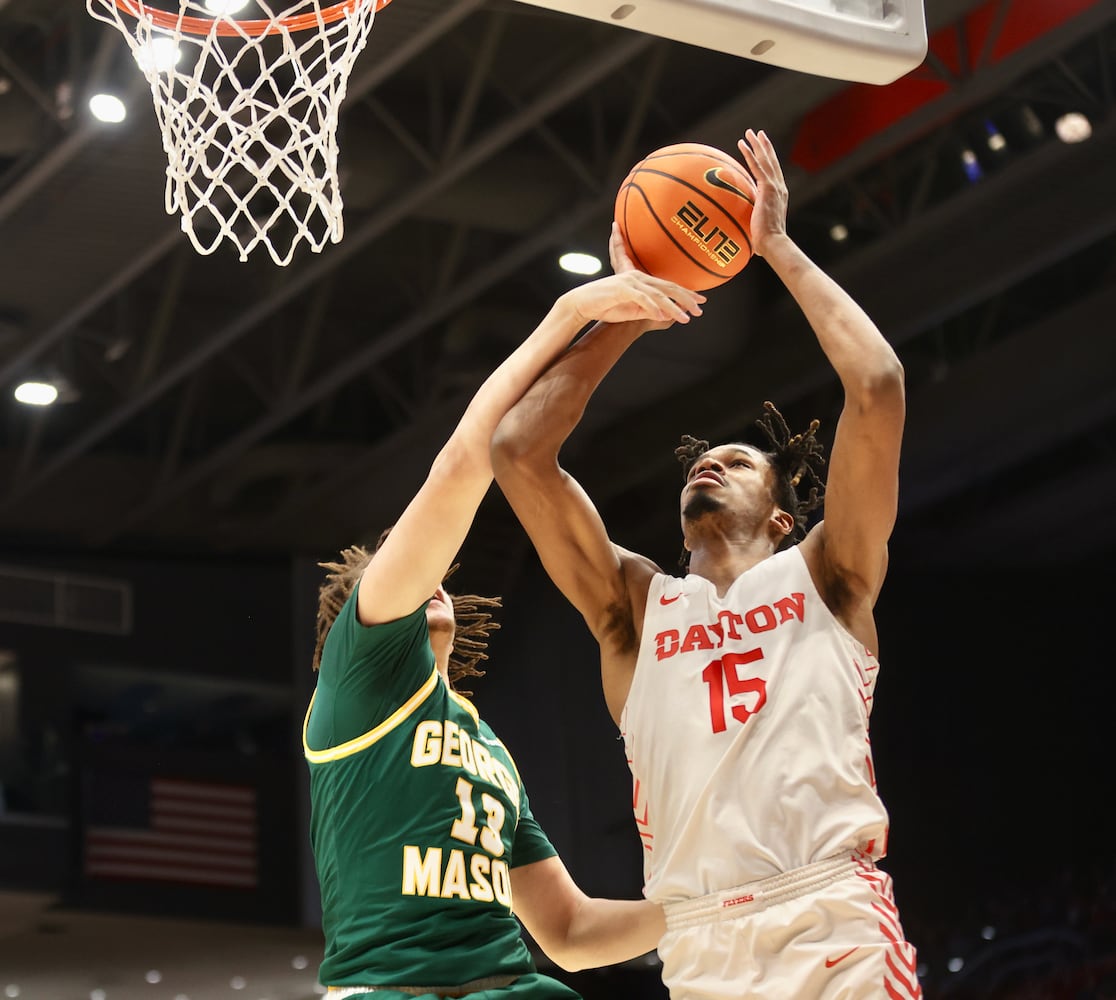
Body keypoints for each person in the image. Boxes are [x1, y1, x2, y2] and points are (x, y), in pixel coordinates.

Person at [490, 128, 922, 1000]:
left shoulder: (829, 576)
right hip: (699, 943)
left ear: (783, 512)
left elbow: (875, 384)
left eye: (737, 459)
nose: (708, 463)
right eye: (700, 458)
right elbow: (517, 451)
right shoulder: (636, 610)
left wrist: (778, 249)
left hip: (828, 917)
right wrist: (626, 312)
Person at [301, 267, 706, 1000]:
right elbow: (462, 466)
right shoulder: (360, 679)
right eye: (399, 569)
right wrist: (570, 314)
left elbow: (572, 934)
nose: (422, 576)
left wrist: (713, 906)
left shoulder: (487, 750)